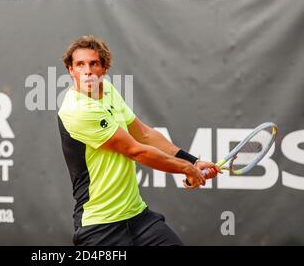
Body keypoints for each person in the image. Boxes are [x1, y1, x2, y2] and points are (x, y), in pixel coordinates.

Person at [57, 35, 221, 246]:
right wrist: (187, 169)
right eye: (80, 65)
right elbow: (137, 151)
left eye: (94, 63)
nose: (87, 71)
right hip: (100, 228)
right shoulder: (77, 110)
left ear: (104, 69)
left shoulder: (107, 91)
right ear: (71, 70)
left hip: (137, 217)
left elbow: (143, 133)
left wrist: (193, 161)